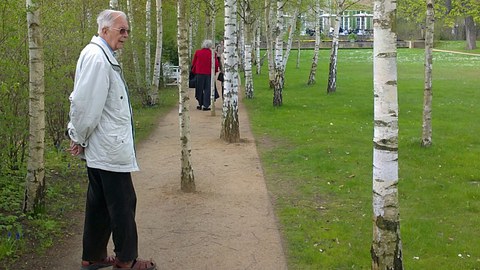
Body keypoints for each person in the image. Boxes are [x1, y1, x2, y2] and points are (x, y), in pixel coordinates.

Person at [67, 9, 157, 270]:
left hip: (103, 147)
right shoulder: (98, 59)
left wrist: (80, 136)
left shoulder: (100, 55)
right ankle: (126, 260)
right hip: (107, 148)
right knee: (123, 203)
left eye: (127, 30)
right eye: (122, 30)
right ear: (104, 30)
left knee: (99, 204)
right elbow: (85, 105)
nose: (126, 35)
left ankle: (93, 257)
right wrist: (78, 135)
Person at [191, 39, 219, 111]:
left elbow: (194, 63)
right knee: (208, 89)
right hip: (209, 74)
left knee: (199, 88)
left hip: (199, 73)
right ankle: (206, 105)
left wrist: (194, 71)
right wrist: (215, 71)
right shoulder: (213, 53)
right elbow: (216, 64)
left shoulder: (198, 52)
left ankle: (200, 103)